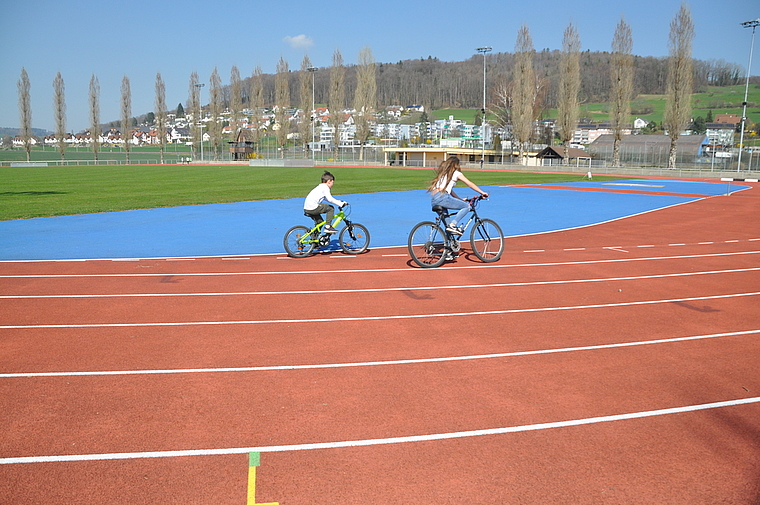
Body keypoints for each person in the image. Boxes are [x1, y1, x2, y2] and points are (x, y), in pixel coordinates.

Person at [428, 156, 489, 235]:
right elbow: (469, 183)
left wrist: (460, 199)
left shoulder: (444, 174)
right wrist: (482, 192)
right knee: (467, 207)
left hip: (434, 200)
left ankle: (449, 245)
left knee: (448, 227)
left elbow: (450, 191)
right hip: (442, 197)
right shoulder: (455, 173)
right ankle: (453, 225)